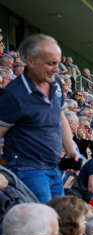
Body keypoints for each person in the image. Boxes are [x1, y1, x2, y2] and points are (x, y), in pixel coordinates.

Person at [0, 34, 79, 203]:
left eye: (58, 63)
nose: (56, 69)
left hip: (54, 168)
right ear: (30, 61)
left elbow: (60, 116)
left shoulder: (56, 82)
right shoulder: (13, 95)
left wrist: (70, 150)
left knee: (58, 220)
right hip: (27, 170)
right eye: (50, 63)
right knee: (41, 223)